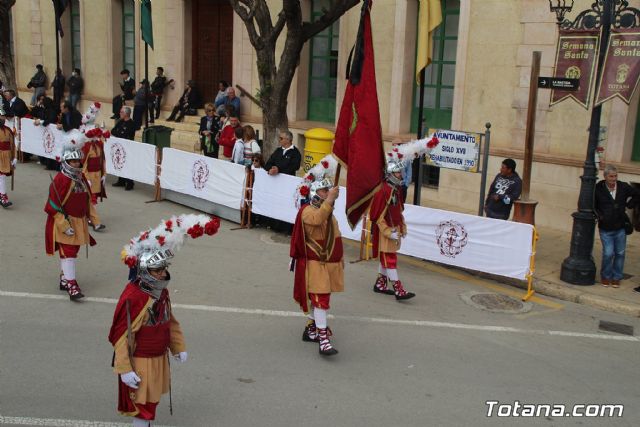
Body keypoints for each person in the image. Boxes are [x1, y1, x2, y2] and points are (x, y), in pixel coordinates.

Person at [109, 213, 219, 426]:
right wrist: (124, 369)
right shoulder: (134, 297)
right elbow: (121, 336)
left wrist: (178, 347)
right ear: (144, 270)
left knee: (151, 404)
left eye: (164, 268)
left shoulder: (160, 293)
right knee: (142, 409)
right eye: (157, 270)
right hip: (141, 361)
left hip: (159, 359)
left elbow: (170, 321)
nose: (162, 273)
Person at [290, 163, 343, 356]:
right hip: (315, 263)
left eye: (328, 189)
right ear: (314, 192)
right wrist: (329, 200)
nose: (327, 192)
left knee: (319, 298)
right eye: (323, 189)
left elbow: (335, 233)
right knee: (321, 299)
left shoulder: (328, 211)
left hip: (328, 263)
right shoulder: (307, 211)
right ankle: (323, 340)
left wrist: (339, 259)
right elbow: (317, 219)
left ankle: (310, 329)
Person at [44, 131, 96, 300]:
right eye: (72, 161)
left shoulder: (81, 178)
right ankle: (72, 284)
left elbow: (88, 201)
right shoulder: (60, 180)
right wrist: (64, 225)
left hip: (79, 221)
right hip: (65, 221)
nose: (75, 163)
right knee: (68, 252)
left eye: (77, 160)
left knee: (74, 250)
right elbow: (52, 205)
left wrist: (93, 218)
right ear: (65, 161)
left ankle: (64, 278)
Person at [369, 159, 415, 300]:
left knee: (386, 257)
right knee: (390, 259)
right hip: (386, 231)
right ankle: (398, 289)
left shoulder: (395, 189)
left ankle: (381, 284)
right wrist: (388, 232)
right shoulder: (384, 191)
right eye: (397, 171)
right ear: (390, 173)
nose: (401, 174)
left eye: (400, 171)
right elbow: (378, 216)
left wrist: (402, 226)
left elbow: (397, 211)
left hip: (393, 229)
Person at [594, 165, 640, 289]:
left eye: (615, 176)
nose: (614, 179)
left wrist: (629, 205)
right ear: (605, 177)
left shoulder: (623, 186)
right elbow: (593, 205)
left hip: (620, 227)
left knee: (620, 253)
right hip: (605, 228)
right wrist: (600, 216)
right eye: (611, 176)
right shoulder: (598, 188)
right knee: (608, 253)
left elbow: (637, 194)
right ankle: (606, 276)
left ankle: (616, 277)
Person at [82, 127, 108, 232]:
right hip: (90, 175)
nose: (99, 137)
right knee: (90, 198)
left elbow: (103, 161)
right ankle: (94, 221)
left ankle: (88, 217)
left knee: (94, 197)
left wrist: (104, 174)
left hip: (97, 175)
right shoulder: (87, 147)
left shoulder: (99, 146)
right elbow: (84, 165)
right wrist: (86, 178)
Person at [31, 94, 59, 170]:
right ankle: (44, 162)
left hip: (51, 132)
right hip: (45, 132)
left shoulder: (52, 111)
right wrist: (37, 106)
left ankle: (51, 165)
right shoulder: (45, 109)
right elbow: (33, 113)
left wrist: (40, 121)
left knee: (50, 147)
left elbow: (51, 120)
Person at [111, 107, 137, 191]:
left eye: (121, 112)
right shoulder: (120, 121)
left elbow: (126, 134)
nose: (120, 113)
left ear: (126, 113)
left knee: (127, 164)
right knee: (120, 162)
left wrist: (120, 133)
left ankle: (130, 183)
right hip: (119, 146)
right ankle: (121, 180)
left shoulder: (132, 123)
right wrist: (120, 132)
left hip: (128, 147)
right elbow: (113, 131)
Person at [0, 108, 16, 208]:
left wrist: (14, 158)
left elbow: (12, 145)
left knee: (2, 175)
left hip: (6, 156)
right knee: (1, 176)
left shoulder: (8, 130)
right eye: (1, 117)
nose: (3, 119)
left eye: (3, 117)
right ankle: (3, 196)